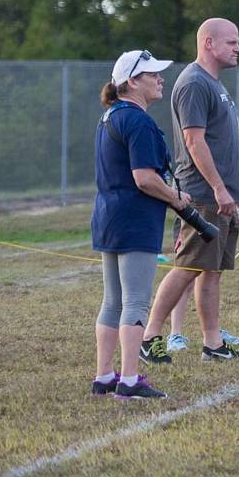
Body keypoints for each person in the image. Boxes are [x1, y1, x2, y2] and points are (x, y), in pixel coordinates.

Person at [139, 18, 239, 365]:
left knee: (211, 269)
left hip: (221, 193)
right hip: (202, 193)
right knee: (188, 266)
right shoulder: (193, 82)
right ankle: (150, 336)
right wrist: (219, 189)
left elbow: (222, 142)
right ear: (208, 43)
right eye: (231, 42)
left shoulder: (214, 83)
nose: (238, 48)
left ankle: (212, 342)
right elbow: (194, 140)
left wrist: (236, 191)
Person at [92, 50, 186, 399]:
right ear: (132, 82)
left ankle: (104, 376)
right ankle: (129, 381)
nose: (160, 79)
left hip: (109, 216)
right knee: (135, 302)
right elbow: (145, 178)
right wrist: (177, 199)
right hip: (135, 219)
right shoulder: (139, 121)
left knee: (113, 301)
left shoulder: (110, 117)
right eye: (152, 75)